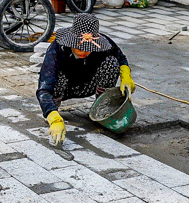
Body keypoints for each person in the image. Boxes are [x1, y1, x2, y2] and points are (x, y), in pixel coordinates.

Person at [37, 14, 135, 146]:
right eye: (79, 47)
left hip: (89, 84)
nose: (84, 52)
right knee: (56, 75)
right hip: (64, 87)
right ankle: (54, 106)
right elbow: (44, 89)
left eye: (88, 49)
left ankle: (101, 106)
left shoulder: (103, 44)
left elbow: (120, 57)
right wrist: (53, 117)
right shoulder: (57, 49)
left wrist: (126, 76)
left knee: (112, 62)